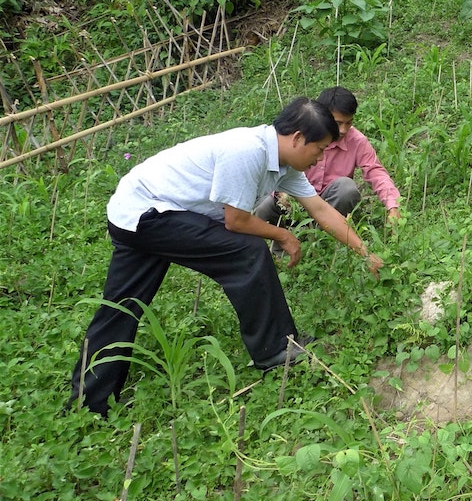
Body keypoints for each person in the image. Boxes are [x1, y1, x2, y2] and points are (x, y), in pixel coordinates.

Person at [68, 97, 383, 415]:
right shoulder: (247, 151)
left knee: (121, 306)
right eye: (318, 150)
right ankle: (276, 349)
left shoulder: (284, 165)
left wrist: (365, 253)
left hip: (132, 213)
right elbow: (236, 221)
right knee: (248, 251)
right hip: (148, 211)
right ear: (298, 138)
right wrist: (283, 234)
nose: (319, 159)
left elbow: (321, 210)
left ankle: (88, 403)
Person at [255, 87, 401, 230]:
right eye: (337, 123)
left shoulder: (356, 141)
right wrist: (281, 193)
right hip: (295, 201)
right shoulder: (303, 137)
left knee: (346, 188)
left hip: (330, 205)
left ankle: (328, 237)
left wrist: (393, 205)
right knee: (264, 205)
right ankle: (281, 250)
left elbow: (375, 172)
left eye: (348, 123)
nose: (343, 130)